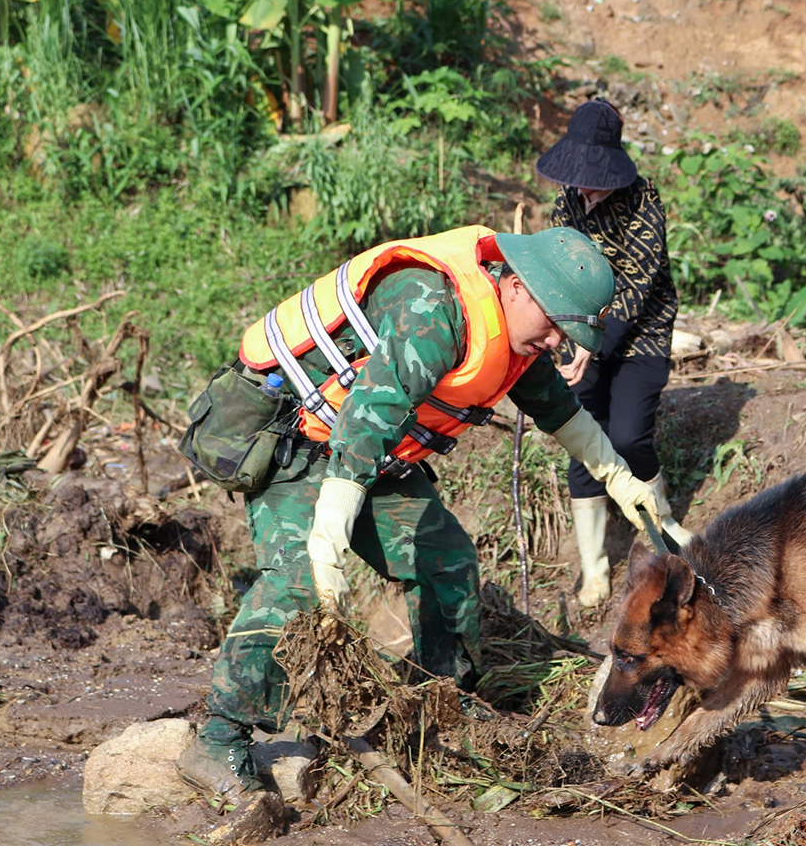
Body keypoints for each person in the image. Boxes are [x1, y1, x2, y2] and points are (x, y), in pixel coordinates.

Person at [174, 224, 672, 800]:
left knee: (447, 561)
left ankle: (440, 702)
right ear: (518, 288)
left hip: (373, 458)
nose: (559, 341)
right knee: (296, 585)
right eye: (557, 324)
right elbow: (363, 423)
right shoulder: (432, 312)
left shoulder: (516, 331)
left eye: (569, 331)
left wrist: (617, 476)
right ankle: (216, 740)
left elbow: (557, 408)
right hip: (303, 446)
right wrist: (330, 533)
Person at [537, 98, 691, 609]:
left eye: (594, 177)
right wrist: (568, 339)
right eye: (578, 177)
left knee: (627, 435)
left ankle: (663, 524)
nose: (584, 187)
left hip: (639, 334)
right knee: (584, 438)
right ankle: (594, 567)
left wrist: (592, 344)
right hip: (581, 334)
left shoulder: (645, 199)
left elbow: (638, 285)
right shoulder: (568, 203)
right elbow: (559, 273)